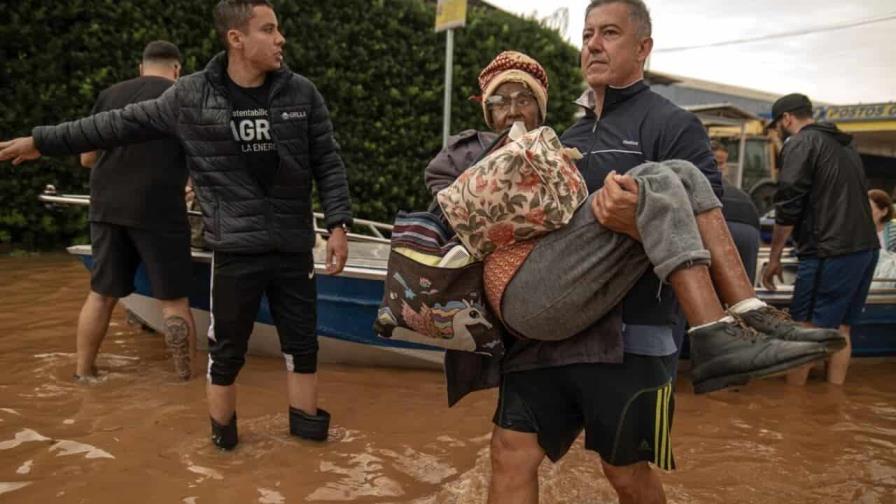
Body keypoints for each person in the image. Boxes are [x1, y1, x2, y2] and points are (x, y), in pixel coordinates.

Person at [427, 34, 835, 504]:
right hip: (536, 329)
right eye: (501, 101)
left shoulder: (656, 125)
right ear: (486, 109)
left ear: (644, 47)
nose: (513, 110)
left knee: (626, 473)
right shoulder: (477, 150)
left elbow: (701, 212)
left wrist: (634, 220)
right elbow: (452, 214)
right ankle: (716, 332)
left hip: (627, 337)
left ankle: (743, 314)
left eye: (524, 99)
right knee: (511, 452)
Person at [0, 0, 352, 450]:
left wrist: (339, 223)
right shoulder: (189, 96)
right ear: (236, 39)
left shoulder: (302, 94)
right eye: (269, 29)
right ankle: (225, 453)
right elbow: (111, 125)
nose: (281, 38)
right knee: (226, 356)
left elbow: (329, 162)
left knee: (303, 350)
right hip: (234, 251)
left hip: (293, 246)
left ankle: (306, 452)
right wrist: (41, 141)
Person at [68, 41, 197, 382]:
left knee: (101, 296)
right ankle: (185, 381)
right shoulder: (185, 99)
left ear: (141, 68)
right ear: (177, 70)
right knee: (173, 301)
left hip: (107, 206)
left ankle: (84, 375)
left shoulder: (109, 95)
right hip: (161, 210)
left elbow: (87, 157)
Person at [762, 93, 880, 387]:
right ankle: (832, 401)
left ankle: (792, 410)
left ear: (786, 119)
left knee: (805, 327)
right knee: (841, 329)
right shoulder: (846, 145)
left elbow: (789, 203)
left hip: (829, 249)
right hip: (865, 247)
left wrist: (774, 258)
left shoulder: (800, 143)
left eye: (776, 126)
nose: (778, 133)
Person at [711, 141, 761, 282]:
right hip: (750, 229)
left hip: (723, 226)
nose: (720, 168)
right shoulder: (738, 193)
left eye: (722, 163)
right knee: (744, 288)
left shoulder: (703, 185)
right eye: (718, 163)